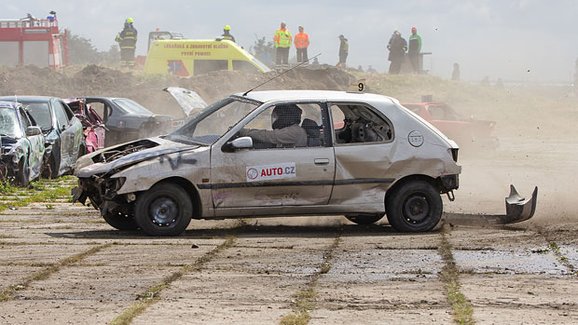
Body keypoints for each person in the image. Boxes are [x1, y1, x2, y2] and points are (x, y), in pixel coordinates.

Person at [239, 104, 307, 148]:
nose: (274, 119)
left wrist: (244, 132)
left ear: (284, 117)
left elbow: (269, 136)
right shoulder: (291, 129)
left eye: (276, 116)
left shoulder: (294, 131)